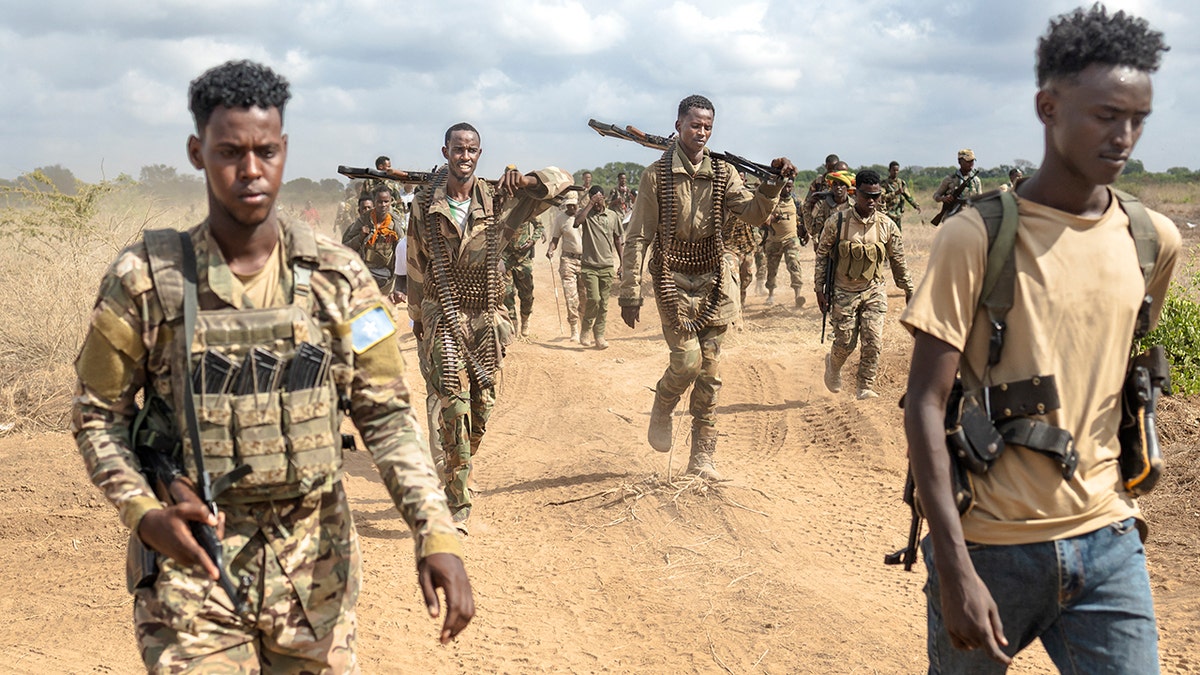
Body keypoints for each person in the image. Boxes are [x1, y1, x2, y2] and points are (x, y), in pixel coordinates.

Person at [71, 60, 472, 672]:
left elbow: (389, 418)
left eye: (266, 151)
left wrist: (433, 531)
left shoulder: (340, 279)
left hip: (316, 576)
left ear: (284, 152)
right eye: (230, 151)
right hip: (190, 576)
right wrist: (144, 513)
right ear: (197, 152)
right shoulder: (146, 281)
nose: (250, 171)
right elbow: (99, 416)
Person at [901, 6, 1178, 671]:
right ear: (1048, 107)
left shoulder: (1152, 241)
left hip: (1108, 537)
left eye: (1138, 119)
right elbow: (924, 404)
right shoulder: (976, 236)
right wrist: (955, 568)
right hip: (989, 545)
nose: (1125, 136)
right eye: (1107, 115)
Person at [619, 95, 795, 479]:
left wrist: (772, 186)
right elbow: (637, 237)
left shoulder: (723, 172)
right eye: (695, 125)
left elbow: (754, 213)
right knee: (686, 362)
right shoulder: (655, 175)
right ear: (679, 124)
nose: (701, 133)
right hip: (673, 280)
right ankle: (664, 402)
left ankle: (702, 456)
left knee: (710, 374)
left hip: (715, 280)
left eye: (707, 127)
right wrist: (630, 290)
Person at [407, 122, 572, 529]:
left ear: (480, 154)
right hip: (442, 311)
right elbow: (416, 260)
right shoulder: (425, 204)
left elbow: (565, 184)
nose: (465, 156)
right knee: (453, 400)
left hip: (486, 313)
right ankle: (457, 503)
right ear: (445, 151)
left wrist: (529, 180)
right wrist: (416, 317)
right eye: (458, 149)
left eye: (472, 150)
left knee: (481, 407)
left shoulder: (499, 197)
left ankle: (457, 460)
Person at [814, 168, 913, 401]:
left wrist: (908, 288)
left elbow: (898, 260)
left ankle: (864, 386)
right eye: (867, 195)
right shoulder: (837, 222)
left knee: (873, 340)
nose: (872, 201)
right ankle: (833, 366)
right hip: (843, 291)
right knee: (845, 342)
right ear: (854, 193)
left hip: (874, 289)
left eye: (876, 196)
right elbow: (822, 255)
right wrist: (819, 289)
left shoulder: (887, 226)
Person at [574, 185, 624, 349]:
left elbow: (618, 240)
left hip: (607, 266)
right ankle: (586, 330)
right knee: (594, 299)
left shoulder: (613, 216)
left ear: (603, 197)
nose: (597, 203)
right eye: (593, 199)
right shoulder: (586, 215)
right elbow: (576, 223)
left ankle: (599, 335)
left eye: (598, 199)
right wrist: (589, 204)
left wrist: (622, 263)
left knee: (603, 304)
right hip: (589, 266)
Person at [343, 184, 402, 295]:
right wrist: (360, 237)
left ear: (390, 202)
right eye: (379, 202)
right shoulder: (363, 221)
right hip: (365, 274)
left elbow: (402, 249)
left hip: (386, 277)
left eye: (386, 202)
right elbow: (345, 247)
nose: (383, 205)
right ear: (374, 202)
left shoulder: (395, 224)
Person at [762, 181, 808, 307]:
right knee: (772, 269)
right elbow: (761, 218)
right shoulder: (771, 201)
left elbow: (804, 217)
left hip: (791, 240)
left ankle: (798, 296)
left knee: (794, 266)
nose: (787, 189)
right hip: (773, 240)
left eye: (789, 187)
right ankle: (771, 294)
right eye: (784, 186)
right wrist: (771, 219)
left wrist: (805, 232)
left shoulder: (796, 201)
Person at [545, 193, 583, 341]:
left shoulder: (585, 215)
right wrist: (551, 249)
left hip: (585, 261)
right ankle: (574, 329)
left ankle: (585, 328)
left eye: (574, 204)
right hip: (568, 260)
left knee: (585, 297)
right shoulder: (560, 218)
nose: (572, 207)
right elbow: (555, 238)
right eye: (569, 205)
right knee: (571, 297)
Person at [501, 214, 545, 338]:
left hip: (523, 258)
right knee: (507, 293)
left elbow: (540, 226)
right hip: (506, 257)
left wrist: (532, 241)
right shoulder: (503, 209)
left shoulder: (526, 208)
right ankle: (512, 324)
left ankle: (525, 319)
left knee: (526, 294)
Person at [807, 165, 853, 249]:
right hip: (829, 248)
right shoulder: (825, 205)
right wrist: (808, 206)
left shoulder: (854, 206)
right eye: (835, 184)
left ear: (847, 187)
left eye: (842, 184)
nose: (838, 187)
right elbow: (814, 230)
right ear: (831, 187)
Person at [933, 149, 983, 217]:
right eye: (968, 161)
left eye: (972, 161)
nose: (971, 164)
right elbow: (936, 195)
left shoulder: (976, 181)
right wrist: (943, 199)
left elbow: (980, 200)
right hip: (952, 217)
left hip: (970, 218)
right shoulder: (949, 179)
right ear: (960, 161)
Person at [882, 161, 922, 229]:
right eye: (893, 170)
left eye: (897, 170)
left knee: (898, 234)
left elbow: (908, 196)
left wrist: (915, 205)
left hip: (897, 213)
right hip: (887, 213)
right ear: (889, 170)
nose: (895, 172)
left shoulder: (901, 183)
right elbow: (882, 198)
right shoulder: (884, 184)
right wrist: (895, 193)